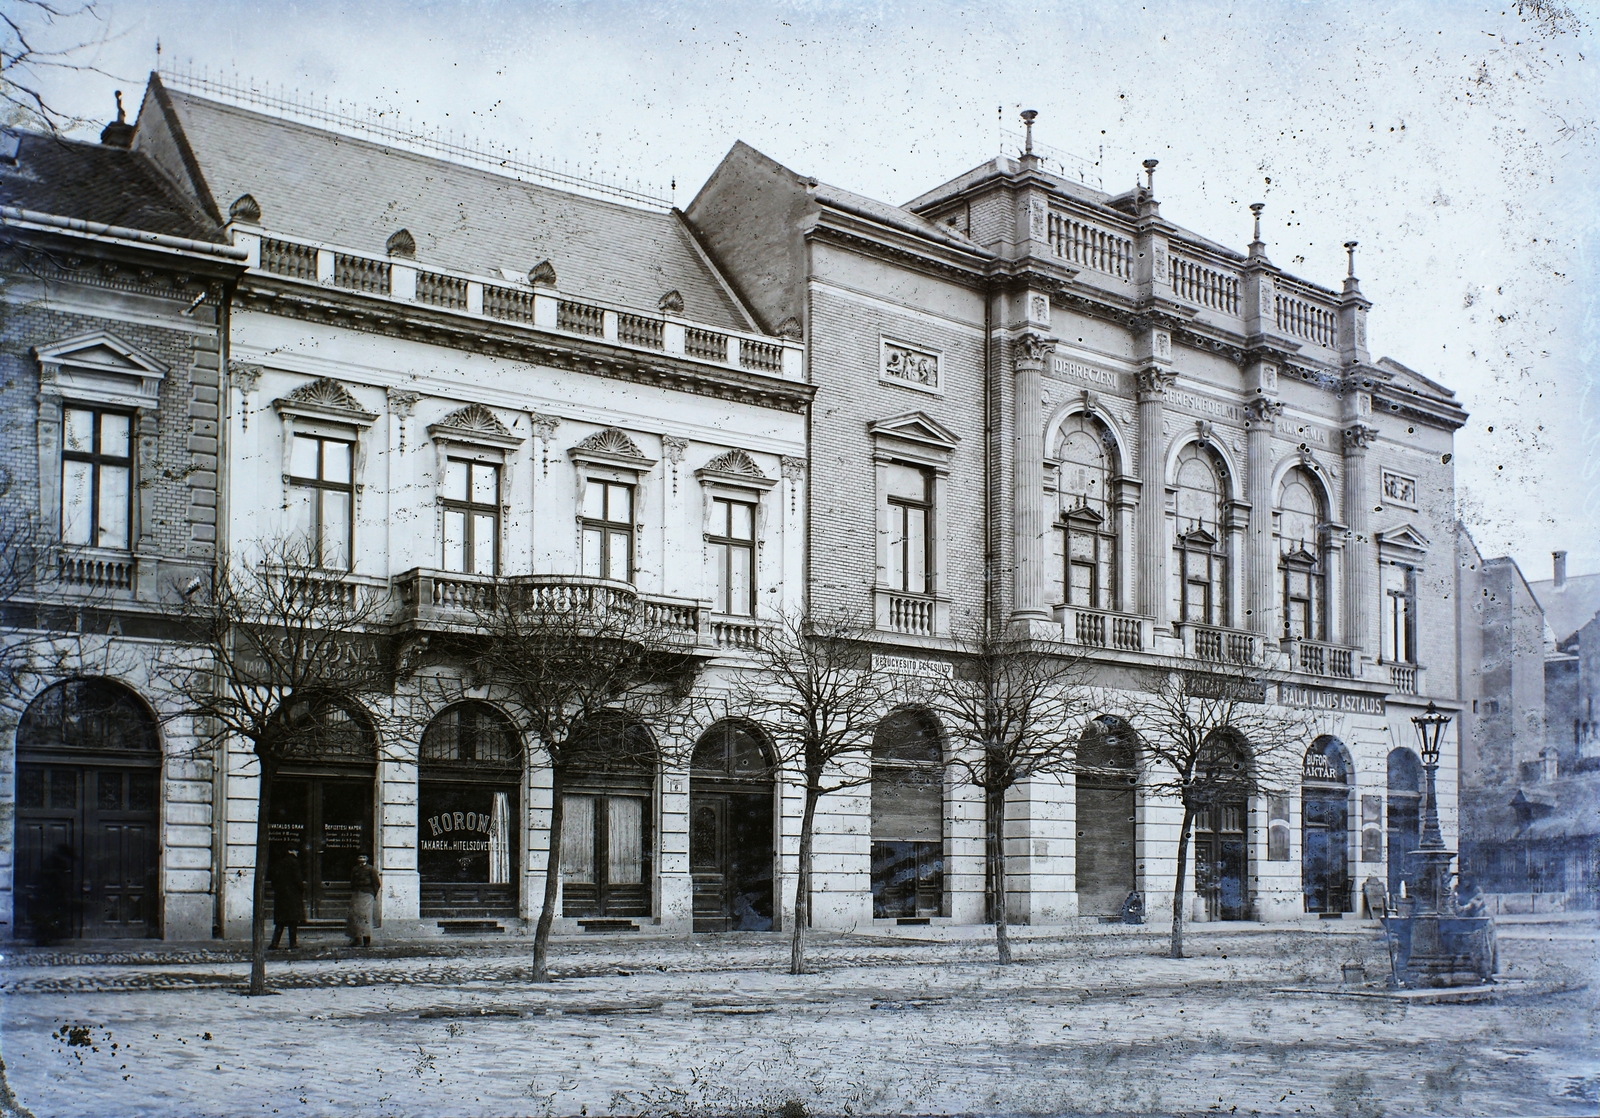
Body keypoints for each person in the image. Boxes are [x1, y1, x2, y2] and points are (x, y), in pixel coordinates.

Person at [268, 848, 306, 949]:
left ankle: (275, 943)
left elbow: (274, 880)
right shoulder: (294, 863)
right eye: (296, 850)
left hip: (281, 896)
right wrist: (301, 888)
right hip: (292, 896)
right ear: (292, 851)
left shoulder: (279, 862)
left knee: (281, 922)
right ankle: (293, 943)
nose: (297, 852)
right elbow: (298, 880)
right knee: (293, 922)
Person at [348, 854, 381, 947]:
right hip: (357, 894)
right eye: (359, 857)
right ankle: (357, 939)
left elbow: (377, 883)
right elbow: (352, 882)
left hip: (367, 894)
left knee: (365, 916)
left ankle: (367, 940)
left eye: (363, 857)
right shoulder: (355, 869)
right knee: (354, 916)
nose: (361, 859)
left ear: (367, 859)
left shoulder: (371, 869)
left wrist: (372, 894)